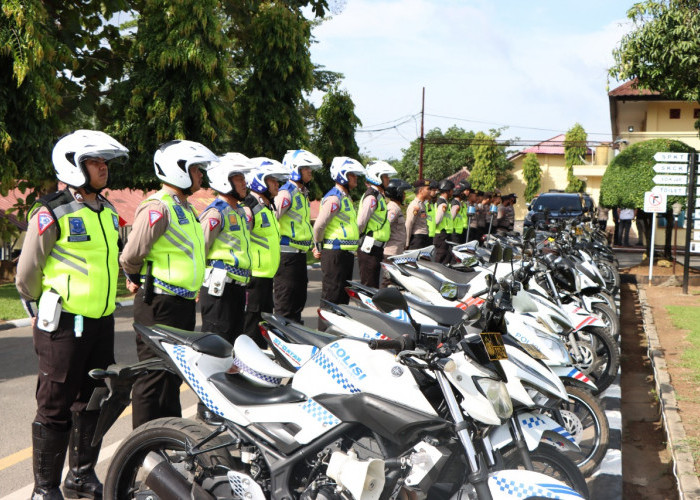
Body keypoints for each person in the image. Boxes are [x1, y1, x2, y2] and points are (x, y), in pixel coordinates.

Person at [16, 130, 128, 499]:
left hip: (101, 321)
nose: (103, 169)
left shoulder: (109, 212)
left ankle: (80, 475)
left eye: (105, 163)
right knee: (55, 405)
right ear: (74, 165)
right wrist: (34, 308)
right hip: (63, 323)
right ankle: (44, 489)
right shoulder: (51, 210)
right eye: (96, 162)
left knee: (94, 398)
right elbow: (28, 270)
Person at [120, 140, 214, 429]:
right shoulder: (157, 208)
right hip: (158, 303)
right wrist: (136, 278)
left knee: (173, 375)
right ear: (179, 171)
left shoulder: (185, 208)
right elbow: (132, 254)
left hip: (180, 304)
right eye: (196, 169)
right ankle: (144, 449)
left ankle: (169, 439)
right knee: (152, 377)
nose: (200, 175)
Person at [312, 157, 364, 325]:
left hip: (345, 254)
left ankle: (339, 331)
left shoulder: (345, 197)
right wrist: (317, 245)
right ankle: (325, 335)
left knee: (342, 298)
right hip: (334, 253)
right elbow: (319, 225)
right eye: (351, 175)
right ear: (342, 176)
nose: (355, 178)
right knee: (331, 297)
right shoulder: (334, 198)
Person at [274, 149, 322, 323]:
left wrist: (312, 244)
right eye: (306, 168)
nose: (310, 171)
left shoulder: (302, 194)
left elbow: (301, 225)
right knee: (286, 303)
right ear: (295, 169)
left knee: (298, 301)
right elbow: (272, 221)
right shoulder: (286, 194)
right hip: (287, 256)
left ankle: (294, 337)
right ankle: (282, 338)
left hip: (299, 256)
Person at [242, 158, 287, 345]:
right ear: (260, 180)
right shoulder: (249, 206)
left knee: (263, 325)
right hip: (254, 278)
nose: (277, 184)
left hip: (266, 278)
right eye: (272, 180)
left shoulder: (268, 206)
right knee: (252, 327)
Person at [357, 160, 397, 288]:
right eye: (385, 176)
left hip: (376, 247)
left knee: (374, 283)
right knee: (369, 285)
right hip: (369, 247)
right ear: (377, 177)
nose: (388, 180)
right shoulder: (372, 197)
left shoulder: (379, 196)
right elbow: (361, 222)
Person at [405, 179, 434, 250]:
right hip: (417, 239)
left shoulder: (422, 204)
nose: (430, 191)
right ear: (420, 191)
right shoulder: (415, 205)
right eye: (428, 189)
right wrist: (406, 242)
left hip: (423, 238)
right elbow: (409, 224)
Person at [433, 179, 455, 264]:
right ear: (447, 191)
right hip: (441, 236)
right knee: (440, 259)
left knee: (446, 258)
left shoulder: (444, 203)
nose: (452, 192)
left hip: (443, 235)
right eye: (451, 190)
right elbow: (437, 220)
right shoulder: (443, 204)